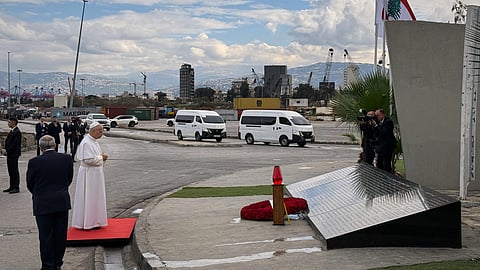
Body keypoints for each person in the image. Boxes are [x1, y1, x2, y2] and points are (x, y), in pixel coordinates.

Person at [26, 135, 73, 270]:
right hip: (61, 201)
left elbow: (30, 183)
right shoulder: (66, 159)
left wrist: (39, 193)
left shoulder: (34, 162)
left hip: (42, 203)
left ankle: (48, 265)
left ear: (40, 148)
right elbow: (68, 179)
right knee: (60, 234)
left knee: (45, 236)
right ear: (55, 145)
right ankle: (58, 263)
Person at [71, 122, 108, 230]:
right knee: (89, 197)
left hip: (95, 174)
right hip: (89, 174)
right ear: (93, 131)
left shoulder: (94, 142)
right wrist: (102, 158)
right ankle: (88, 222)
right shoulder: (87, 142)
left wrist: (100, 158)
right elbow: (88, 159)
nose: (101, 133)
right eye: (100, 131)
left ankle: (95, 221)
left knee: (95, 197)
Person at [2, 117, 22, 194]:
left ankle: (16, 187)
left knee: (14, 170)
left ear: (14, 122)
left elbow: (14, 144)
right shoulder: (12, 131)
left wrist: (7, 151)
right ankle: (11, 186)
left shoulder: (17, 132)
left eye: (9, 122)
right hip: (10, 154)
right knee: (10, 170)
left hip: (13, 154)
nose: (8, 123)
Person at [374, 108, 397, 173]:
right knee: (379, 163)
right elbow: (376, 134)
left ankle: (387, 178)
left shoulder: (388, 122)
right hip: (380, 146)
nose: (376, 117)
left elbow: (384, 133)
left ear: (382, 115)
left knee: (386, 163)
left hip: (387, 146)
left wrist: (376, 126)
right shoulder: (378, 123)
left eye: (377, 115)